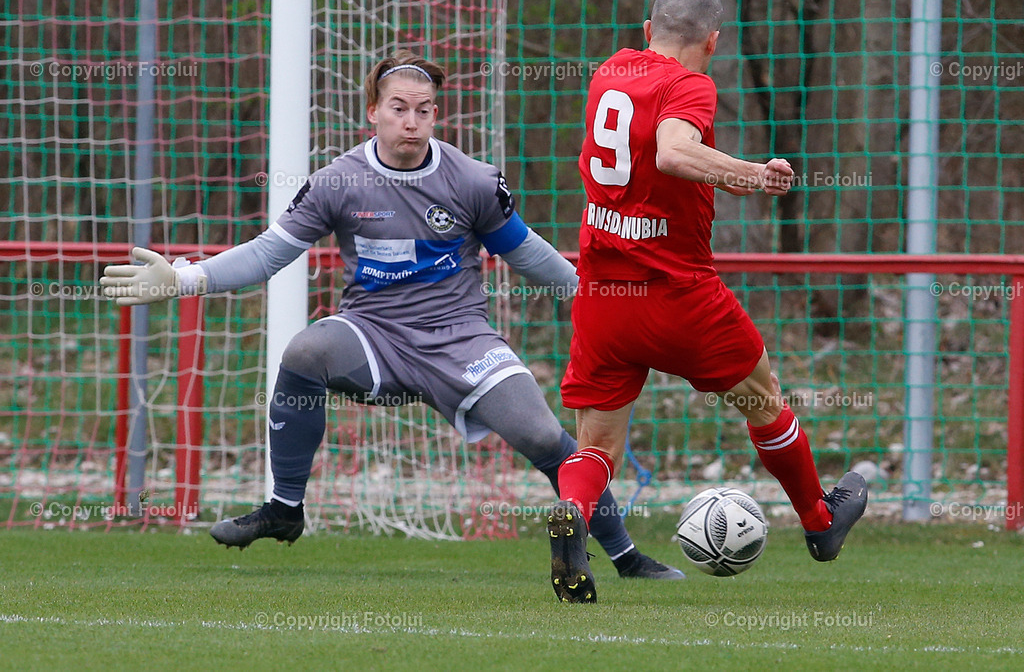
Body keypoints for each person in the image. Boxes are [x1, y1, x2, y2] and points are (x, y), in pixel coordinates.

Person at [101, 51, 683, 583]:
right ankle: (284, 509)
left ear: (436, 116)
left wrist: (600, 296)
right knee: (304, 352)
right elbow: (268, 253)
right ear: (374, 112)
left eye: (423, 111)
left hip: (461, 337)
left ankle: (627, 557)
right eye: (399, 108)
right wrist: (183, 277)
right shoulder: (336, 182)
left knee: (542, 436)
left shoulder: (473, 181)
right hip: (374, 334)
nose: (411, 121)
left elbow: (527, 253)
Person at [546, 0, 868, 604]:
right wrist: (752, 174)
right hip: (677, 293)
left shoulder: (610, 72)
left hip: (604, 295)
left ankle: (573, 516)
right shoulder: (691, 84)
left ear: (647, 29)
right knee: (764, 398)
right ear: (714, 42)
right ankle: (821, 524)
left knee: (596, 445)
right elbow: (672, 152)